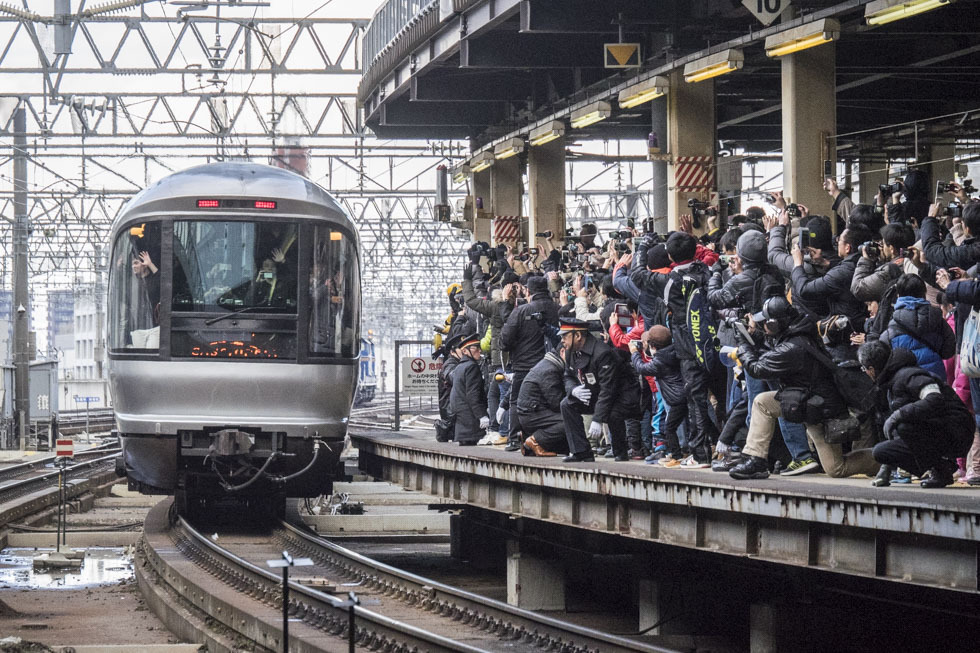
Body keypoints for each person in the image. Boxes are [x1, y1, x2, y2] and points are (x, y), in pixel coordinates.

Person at [727, 296, 879, 480]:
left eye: (766, 323)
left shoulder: (792, 347)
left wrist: (743, 345)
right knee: (763, 403)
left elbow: (757, 368)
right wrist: (756, 337)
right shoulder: (798, 334)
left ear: (776, 324)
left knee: (836, 468)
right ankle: (756, 459)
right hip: (805, 401)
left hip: (819, 410)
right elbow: (774, 352)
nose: (763, 325)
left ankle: (886, 458)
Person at [631, 231, 723, 468]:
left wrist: (643, 247)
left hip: (688, 346)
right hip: (715, 342)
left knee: (696, 399)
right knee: (720, 398)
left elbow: (636, 274)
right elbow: (709, 256)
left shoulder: (671, 281)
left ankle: (701, 454)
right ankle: (725, 447)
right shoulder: (708, 270)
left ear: (670, 255)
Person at [858, 341, 974, 488]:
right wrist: (885, 468)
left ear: (872, 369)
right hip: (937, 429)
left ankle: (941, 470)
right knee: (881, 451)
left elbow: (934, 398)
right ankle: (941, 467)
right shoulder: (891, 382)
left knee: (904, 426)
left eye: (865, 369)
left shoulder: (908, 375)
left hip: (957, 430)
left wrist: (898, 414)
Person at [559, 318, 641, 462]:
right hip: (596, 393)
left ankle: (620, 452)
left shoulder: (602, 353)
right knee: (567, 404)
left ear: (577, 336)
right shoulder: (571, 352)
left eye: (565, 336)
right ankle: (581, 451)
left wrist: (597, 419)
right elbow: (567, 376)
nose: (562, 341)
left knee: (613, 412)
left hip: (621, 396)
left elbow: (608, 389)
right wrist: (573, 390)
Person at [500, 274, 560, 449]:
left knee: (517, 401)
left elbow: (505, 340)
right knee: (550, 402)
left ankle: (514, 439)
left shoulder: (521, 311)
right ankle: (545, 440)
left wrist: (506, 304)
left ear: (527, 291)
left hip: (525, 366)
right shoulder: (557, 308)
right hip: (553, 364)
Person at [630, 326, 688, 467]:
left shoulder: (660, 362)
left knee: (669, 428)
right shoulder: (674, 351)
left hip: (676, 398)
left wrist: (634, 353)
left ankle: (676, 455)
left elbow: (641, 368)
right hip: (685, 394)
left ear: (653, 346)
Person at [878, 274, 955, 380]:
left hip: (905, 382)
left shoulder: (891, 328)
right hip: (936, 379)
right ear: (924, 293)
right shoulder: (937, 319)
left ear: (899, 296)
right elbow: (949, 350)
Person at [515, 350, 569, 456]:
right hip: (532, 414)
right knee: (570, 421)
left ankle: (528, 443)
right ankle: (536, 440)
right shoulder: (550, 370)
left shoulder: (548, 364)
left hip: (531, 412)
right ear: (562, 352)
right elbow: (556, 402)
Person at [449, 333, 490, 446]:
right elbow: (473, 395)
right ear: (465, 351)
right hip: (471, 423)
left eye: (479, 347)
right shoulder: (472, 367)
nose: (479, 351)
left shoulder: (460, 367)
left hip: (462, 424)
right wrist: (481, 415)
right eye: (475, 348)